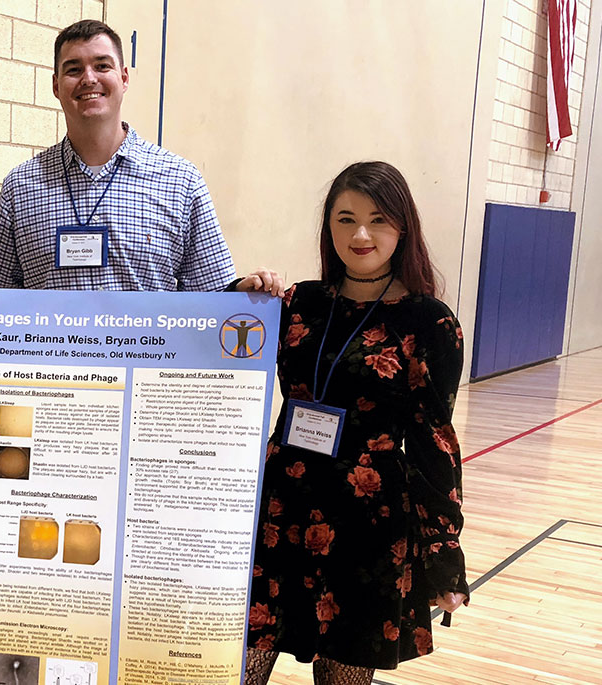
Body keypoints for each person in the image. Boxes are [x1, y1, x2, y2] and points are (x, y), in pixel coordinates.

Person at [245, 162, 468, 685]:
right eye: (345, 219)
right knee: (236, 665)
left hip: (368, 521)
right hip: (281, 508)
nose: (360, 234)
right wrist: (241, 294)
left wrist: (443, 552)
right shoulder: (299, 303)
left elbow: (435, 442)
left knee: (342, 673)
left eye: (377, 219)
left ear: (402, 227)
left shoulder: (428, 322)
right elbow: (217, 350)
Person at [0, 19, 281, 296]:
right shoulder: (21, 186)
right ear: (56, 86)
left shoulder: (180, 180)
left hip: (146, 367)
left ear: (124, 78)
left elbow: (213, 295)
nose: (88, 78)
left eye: (102, 65)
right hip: (56, 369)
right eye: (73, 69)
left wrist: (248, 292)